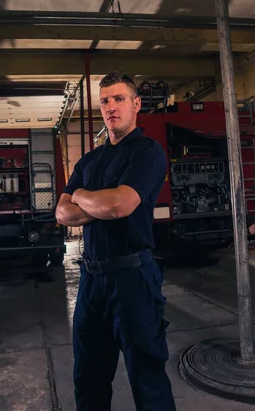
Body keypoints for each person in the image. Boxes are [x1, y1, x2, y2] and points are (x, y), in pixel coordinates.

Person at [55, 70, 176, 411]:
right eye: (105, 100)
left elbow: (121, 204)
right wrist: (100, 205)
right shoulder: (90, 160)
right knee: (89, 379)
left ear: (136, 104)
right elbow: (63, 214)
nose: (111, 107)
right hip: (91, 283)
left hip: (133, 280)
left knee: (148, 379)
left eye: (119, 98)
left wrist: (78, 193)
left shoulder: (147, 153)